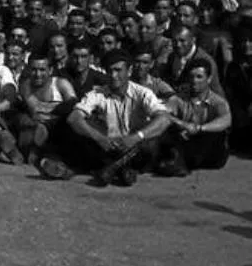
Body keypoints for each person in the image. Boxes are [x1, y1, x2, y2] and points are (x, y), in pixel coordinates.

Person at [37, 50, 171, 186]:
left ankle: (112, 169)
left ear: (129, 71)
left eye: (118, 70)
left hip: (135, 149)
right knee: (76, 128)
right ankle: (120, 170)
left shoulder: (143, 93)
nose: (113, 75)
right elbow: (74, 118)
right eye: (110, 71)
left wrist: (135, 137)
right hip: (108, 147)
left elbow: (165, 119)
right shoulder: (97, 93)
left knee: (152, 138)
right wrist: (100, 138)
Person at [157, 59, 232, 176]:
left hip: (212, 154)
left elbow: (226, 120)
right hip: (189, 144)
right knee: (168, 128)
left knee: (216, 134)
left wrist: (199, 128)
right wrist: (182, 124)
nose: (194, 81)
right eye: (191, 76)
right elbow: (161, 113)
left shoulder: (218, 101)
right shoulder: (179, 98)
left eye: (199, 77)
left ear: (209, 79)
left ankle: (180, 162)